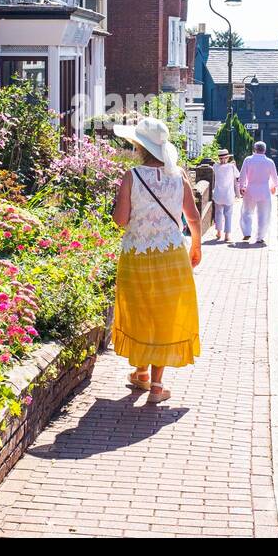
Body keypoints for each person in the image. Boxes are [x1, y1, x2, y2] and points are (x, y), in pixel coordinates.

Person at [111, 116, 202, 404]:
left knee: (140, 312)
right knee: (165, 315)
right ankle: (157, 384)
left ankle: (141, 372)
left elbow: (121, 220)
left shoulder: (132, 176)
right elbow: (194, 217)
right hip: (172, 254)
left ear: (139, 147)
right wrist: (196, 246)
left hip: (137, 254)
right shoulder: (180, 176)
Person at [237, 141, 278, 245]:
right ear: (264, 150)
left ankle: (247, 232)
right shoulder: (269, 162)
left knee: (246, 212)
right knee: (264, 214)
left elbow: (242, 175)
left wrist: (242, 187)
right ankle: (260, 237)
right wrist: (274, 186)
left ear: (254, 149)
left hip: (250, 189)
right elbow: (274, 177)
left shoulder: (248, 160)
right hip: (264, 190)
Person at [211, 148, 239, 242]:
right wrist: (233, 164)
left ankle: (219, 232)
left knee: (218, 214)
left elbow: (215, 165)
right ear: (227, 158)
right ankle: (227, 235)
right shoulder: (231, 167)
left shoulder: (215, 166)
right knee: (228, 215)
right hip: (228, 195)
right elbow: (237, 175)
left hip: (218, 195)